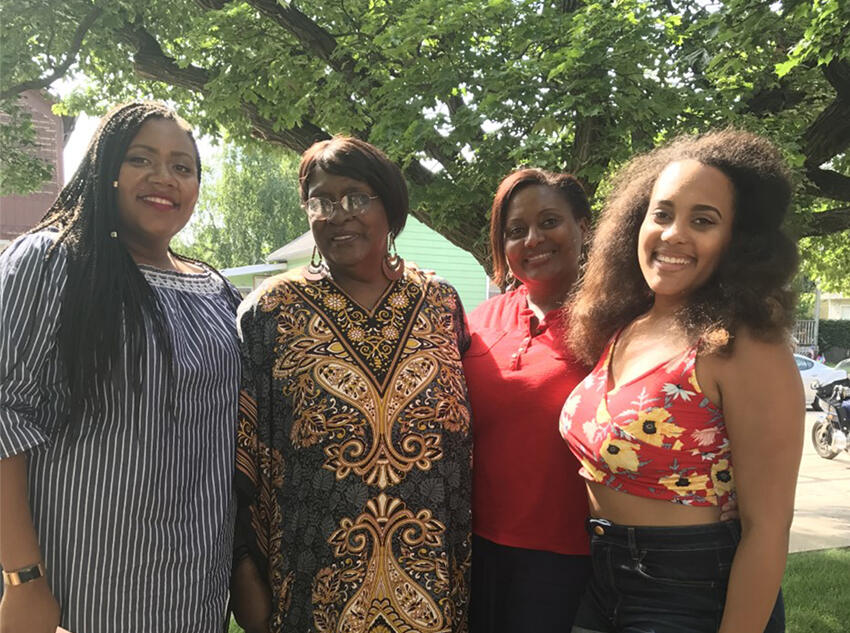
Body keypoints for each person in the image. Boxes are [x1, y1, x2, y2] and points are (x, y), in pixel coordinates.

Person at [0, 102, 242, 633]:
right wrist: (23, 581)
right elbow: (5, 421)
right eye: (141, 159)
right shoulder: (52, 262)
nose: (164, 178)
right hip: (86, 591)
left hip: (195, 590)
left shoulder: (213, 289)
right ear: (105, 170)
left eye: (183, 166)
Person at [560, 129, 803, 632]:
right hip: (604, 576)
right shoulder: (629, 324)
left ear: (739, 242)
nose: (673, 234)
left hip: (691, 590)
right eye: (662, 213)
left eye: (703, 220)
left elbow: (768, 528)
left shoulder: (741, 342)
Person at [231, 136, 472, 633]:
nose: (338, 214)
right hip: (312, 588)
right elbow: (238, 454)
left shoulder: (440, 304)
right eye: (321, 201)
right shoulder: (272, 312)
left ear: (390, 206)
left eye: (357, 198)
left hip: (431, 590)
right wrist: (243, 574)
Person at [463, 169, 592, 631]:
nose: (533, 239)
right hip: (475, 549)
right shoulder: (478, 320)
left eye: (550, 221)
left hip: (571, 559)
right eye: (516, 231)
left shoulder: (617, 320)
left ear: (583, 226)